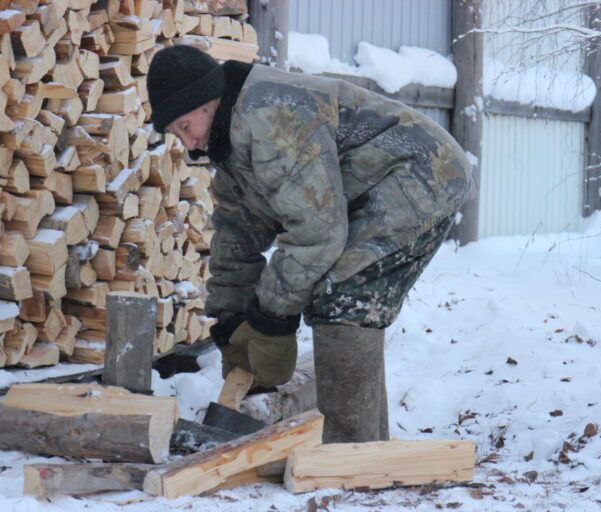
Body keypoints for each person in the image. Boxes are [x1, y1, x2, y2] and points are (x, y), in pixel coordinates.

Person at [146, 45, 473, 443]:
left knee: (342, 298)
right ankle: (368, 447)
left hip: (424, 171)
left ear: (206, 103)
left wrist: (270, 318)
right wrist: (232, 322)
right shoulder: (229, 136)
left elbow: (316, 232)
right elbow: (238, 232)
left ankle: (349, 455)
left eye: (184, 127)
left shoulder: (269, 119)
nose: (189, 144)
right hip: (377, 183)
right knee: (342, 295)